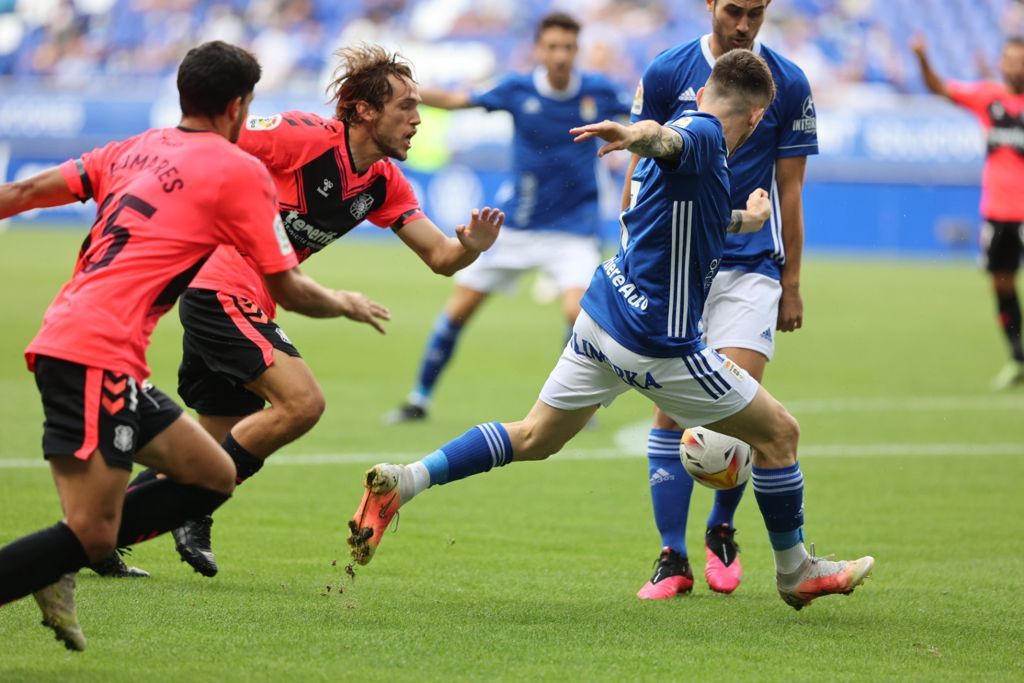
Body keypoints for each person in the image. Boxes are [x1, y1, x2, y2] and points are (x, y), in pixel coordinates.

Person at [348, 49, 875, 612]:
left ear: (702, 93)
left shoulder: (696, 150)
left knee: (534, 437)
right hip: (658, 343)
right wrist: (634, 133)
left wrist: (748, 217)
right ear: (755, 119)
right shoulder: (700, 135)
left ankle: (405, 481)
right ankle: (796, 572)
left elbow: (694, 212)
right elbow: (666, 139)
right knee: (779, 435)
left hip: (602, 319)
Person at [0, 41, 389, 651]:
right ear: (238, 106)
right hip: (92, 351)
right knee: (93, 535)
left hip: (95, 346)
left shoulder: (132, 147)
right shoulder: (239, 172)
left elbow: (23, 195)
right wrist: (344, 301)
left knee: (213, 474)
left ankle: (60, 558)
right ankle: (54, 562)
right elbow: (287, 285)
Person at [115, 44, 504, 579]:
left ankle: (103, 531)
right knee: (301, 404)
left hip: (249, 299)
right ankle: (187, 506)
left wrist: (472, 248)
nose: (418, 118)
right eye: (406, 107)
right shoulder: (300, 136)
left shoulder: (382, 182)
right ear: (364, 110)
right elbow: (209, 139)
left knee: (208, 450)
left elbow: (441, 257)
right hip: (216, 286)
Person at [629, 0, 818, 600]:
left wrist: (790, 283)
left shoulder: (787, 83)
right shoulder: (666, 72)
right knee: (669, 408)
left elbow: (790, 191)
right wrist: (634, 254)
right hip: (681, 264)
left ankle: (722, 528)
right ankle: (672, 556)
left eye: (757, 13)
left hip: (748, 266)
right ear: (709, 3)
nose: (744, 24)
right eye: (734, 10)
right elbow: (639, 169)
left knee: (735, 400)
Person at [385, 11, 632, 424]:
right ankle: (418, 399)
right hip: (515, 226)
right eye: (552, 46)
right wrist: (403, 91)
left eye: (568, 47)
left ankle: (574, 402)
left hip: (574, 227)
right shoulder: (516, 89)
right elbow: (456, 101)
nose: (560, 55)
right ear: (539, 49)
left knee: (579, 314)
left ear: (577, 50)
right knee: (458, 311)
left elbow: (645, 113)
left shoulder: (598, 91)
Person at [912, 35, 1024, 390]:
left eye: (1020, 60)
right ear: (1001, 63)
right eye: (1010, 59)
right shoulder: (988, 98)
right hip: (997, 211)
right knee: (1001, 283)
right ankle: (1018, 356)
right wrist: (922, 58)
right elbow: (940, 88)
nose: (1015, 66)